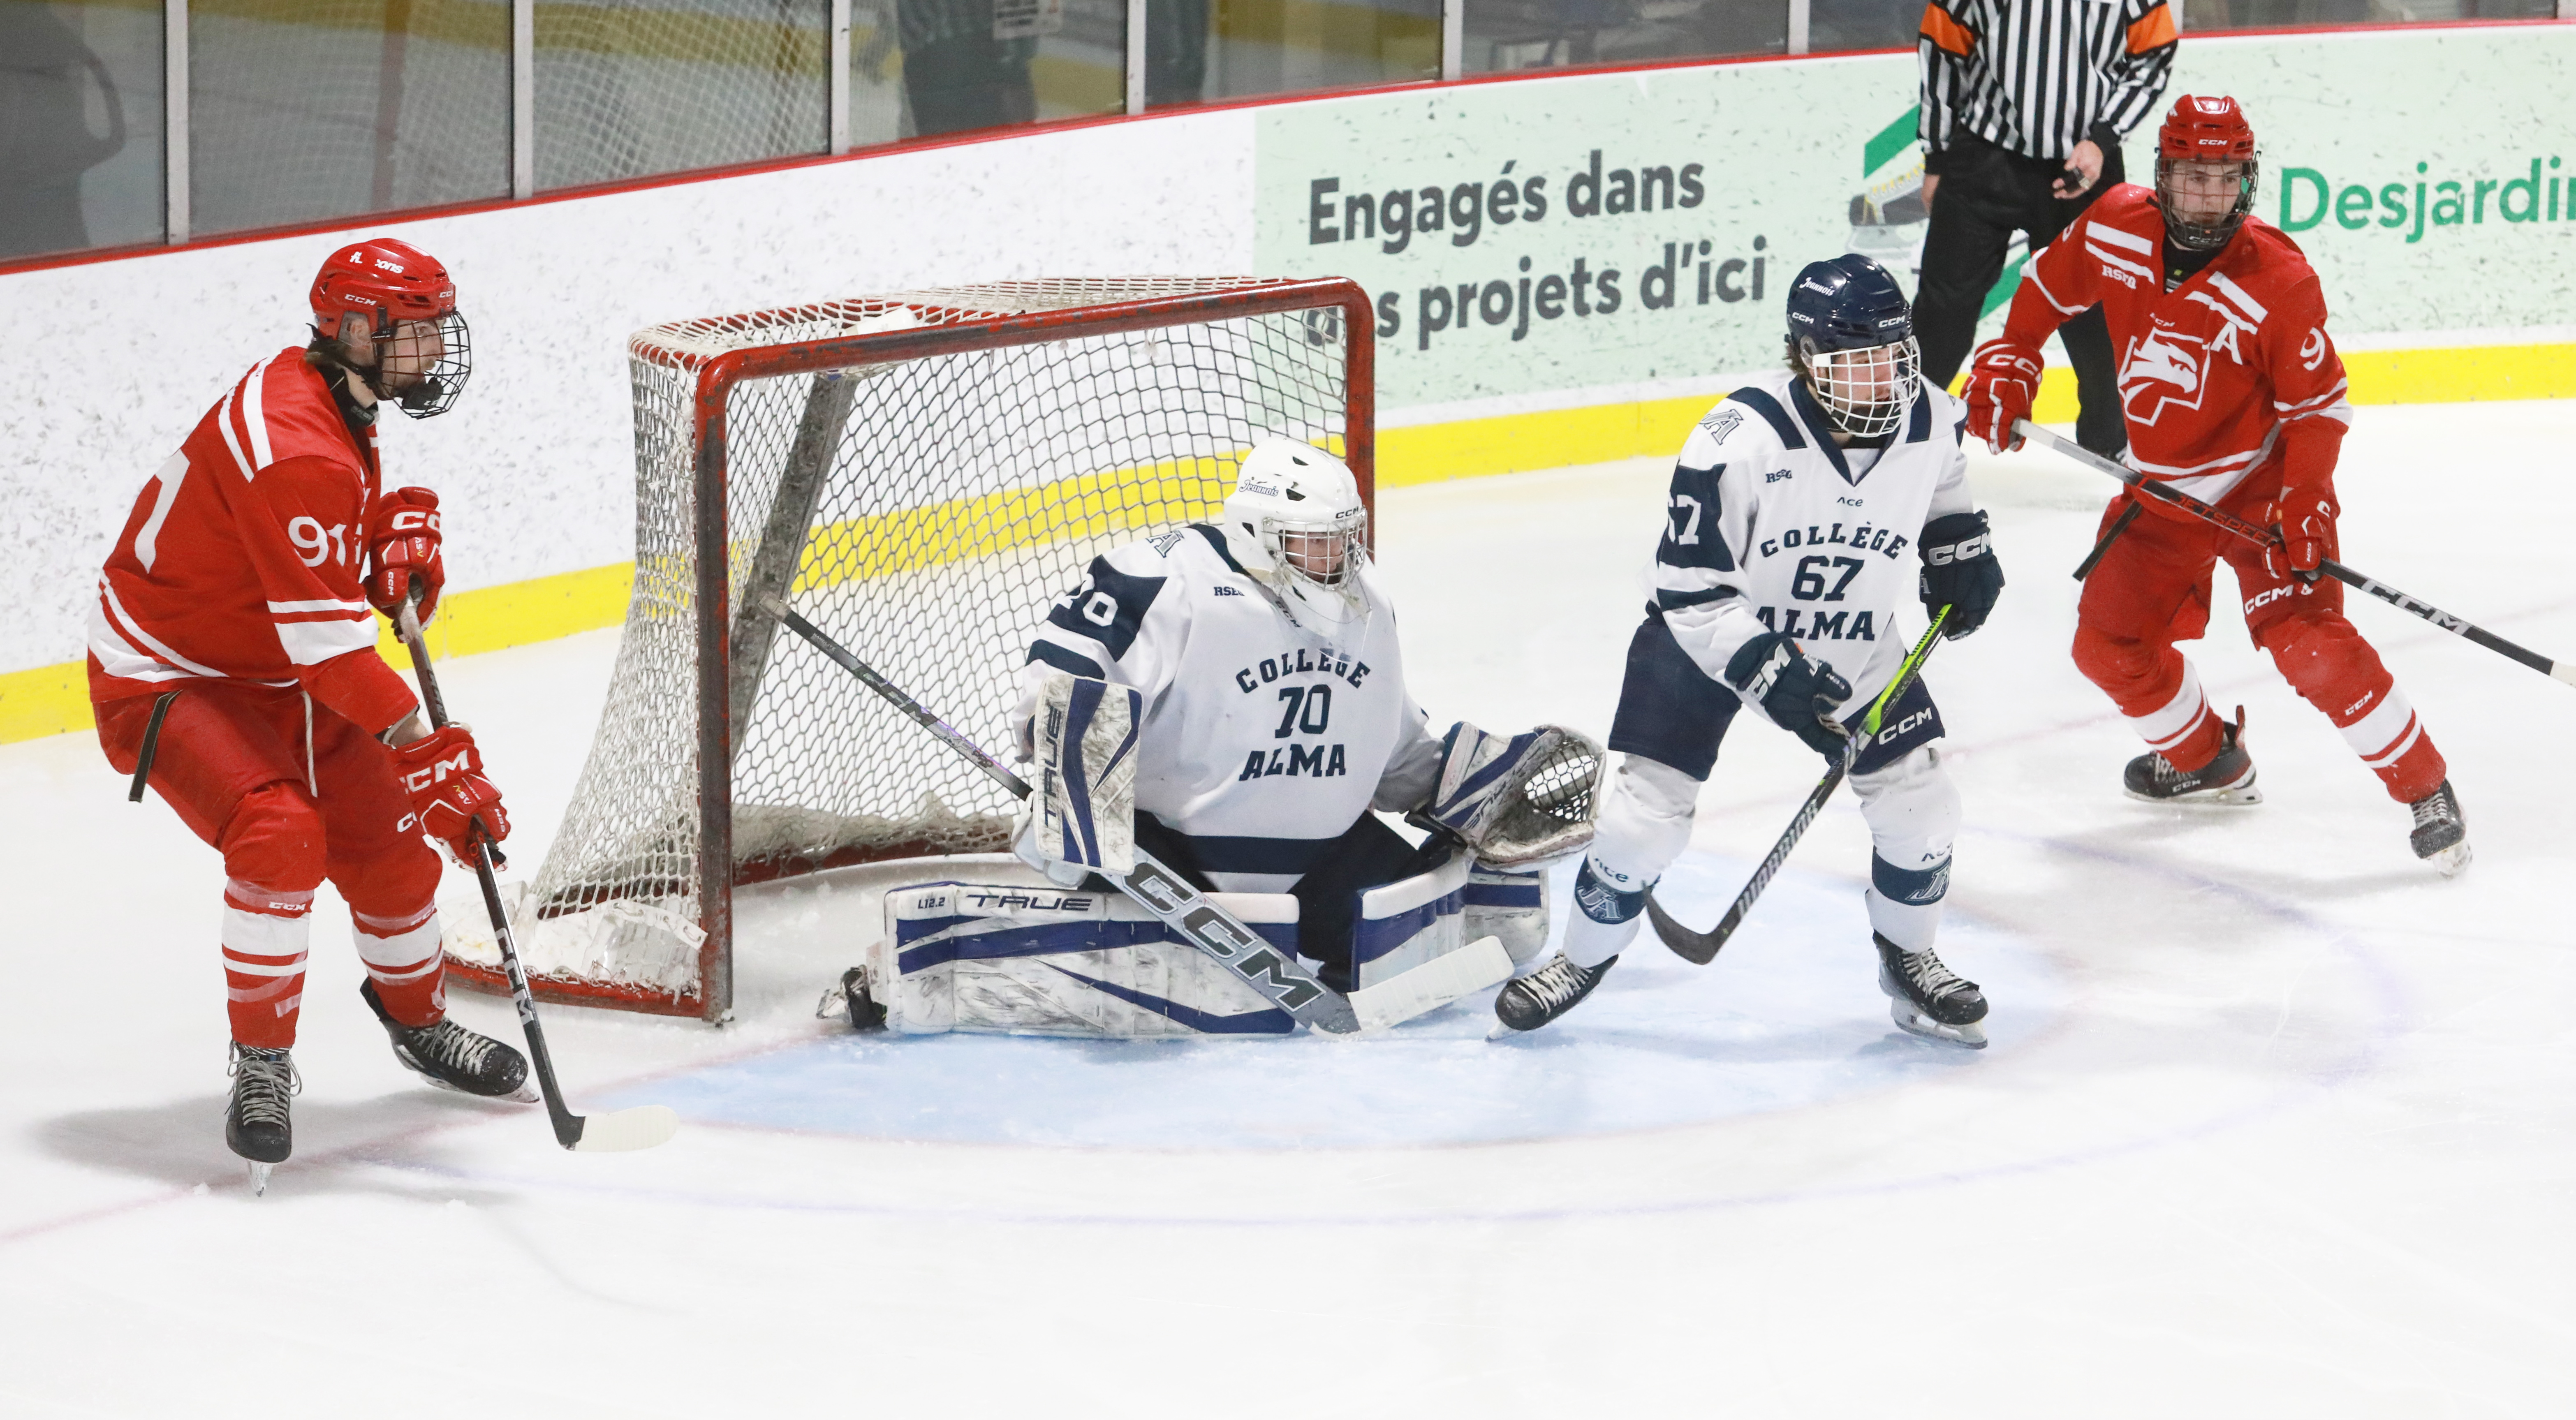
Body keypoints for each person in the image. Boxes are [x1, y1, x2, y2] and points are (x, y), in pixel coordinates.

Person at [834, 441, 1580, 1038]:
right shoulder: (1165, 577)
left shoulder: (1366, 601)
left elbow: (1384, 740)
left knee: (1442, 908)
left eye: (1347, 539)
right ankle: (908, 977)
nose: (1342, 560)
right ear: (1260, 533)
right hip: (1176, 857)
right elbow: (1059, 686)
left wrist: (1459, 784)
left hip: (1321, 856)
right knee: (1122, 953)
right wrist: (1078, 789)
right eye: (1318, 543)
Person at [89, 237, 526, 1188]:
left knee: (390, 838)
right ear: (355, 330)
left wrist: (385, 542)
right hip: (172, 672)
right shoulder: (294, 441)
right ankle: (261, 1064)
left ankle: (417, 1023)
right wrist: (432, 755)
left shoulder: (333, 391)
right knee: (280, 831)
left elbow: (310, 566)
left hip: (275, 664)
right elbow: (330, 651)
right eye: (415, 336)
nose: (434, 354)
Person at [1496, 254, 2006, 1047]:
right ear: (1806, 359)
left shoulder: (1934, 416)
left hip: (1857, 635)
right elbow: (1690, 585)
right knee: (1642, 824)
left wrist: (1959, 551)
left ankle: (1909, 958)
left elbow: (1945, 495)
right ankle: (1579, 958)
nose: (1882, 379)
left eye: (1892, 357)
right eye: (1857, 362)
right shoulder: (1736, 439)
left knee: (1922, 802)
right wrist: (1768, 667)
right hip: (1711, 633)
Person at [1964, 95, 2470, 873]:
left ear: (2249, 181)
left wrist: (2306, 500)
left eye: (2226, 178)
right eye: (2194, 177)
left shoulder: (2279, 278)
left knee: (2310, 647)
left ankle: (2426, 788)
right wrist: (2010, 358)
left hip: (2260, 492)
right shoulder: (2116, 222)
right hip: (2165, 489)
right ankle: (2207, 759)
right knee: (2107, 643)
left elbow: (2318, 408)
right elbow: (2044, 289)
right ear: (2163, 174)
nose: (2209, 195)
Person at [1915, 0, 2176, 458]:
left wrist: (2103, 138)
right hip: (1984, 157)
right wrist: (1937, 155)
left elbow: (2156, 53)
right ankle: (1902, 431)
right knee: (1942, 311)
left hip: (2085, 166)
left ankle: (2111, 446)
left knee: (2101, 315)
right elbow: (1941, 48)